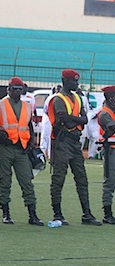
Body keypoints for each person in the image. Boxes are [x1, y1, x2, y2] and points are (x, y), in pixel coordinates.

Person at [47, 69, 101, 226]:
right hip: (62, 142)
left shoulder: (77, 97)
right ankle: (57, 214)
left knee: (82, 178)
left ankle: (87, 214)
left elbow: (84, 119)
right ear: (65, 81)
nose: (76, 84)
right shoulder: (58, 99)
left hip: (74, 142)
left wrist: (74, 119)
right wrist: (77, 119)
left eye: (77, 81)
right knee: (58, 178)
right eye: (74, 81)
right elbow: (67, 120)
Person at [0, 77, 43, 226]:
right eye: (14, 88)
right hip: (6, 148)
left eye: (20, 89)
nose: (17, 91)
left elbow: (29, 125)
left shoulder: (27, 105)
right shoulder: (0, 104)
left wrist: (31, 142)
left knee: (27, 181)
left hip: (22, 148)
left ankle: (32, 214)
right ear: (8, 89)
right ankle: (6, 213)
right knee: (5, 181)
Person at [97, 86, 115, 224]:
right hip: (111, 151)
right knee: (110, 181)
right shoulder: (104, 114)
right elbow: (111, 128)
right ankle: (107, 214)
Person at [40, 85, 61, 159]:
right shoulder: (52, 97)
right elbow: (47, 110)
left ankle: (50, 154)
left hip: (53, 118)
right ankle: (42, 153)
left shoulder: (60, 98)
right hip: (48, 118)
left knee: (50, 137)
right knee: (45, 136)